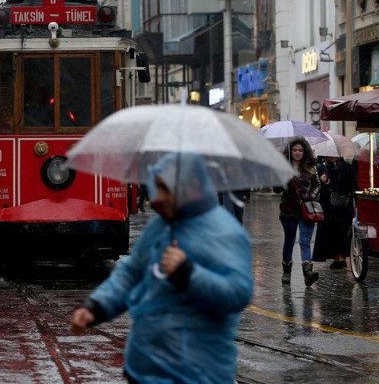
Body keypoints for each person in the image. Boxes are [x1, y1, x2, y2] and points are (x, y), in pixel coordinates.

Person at [70, 153, 253, 383]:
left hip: (197, 374)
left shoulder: (225, 232)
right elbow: (132, 273)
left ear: (192, 186)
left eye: (166, 189)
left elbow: (237, 293)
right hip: (143, 369)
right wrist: (96, 307)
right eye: (157, 188)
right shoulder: (160, 225)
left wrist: (187, 274)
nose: (158, 198)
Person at [275, 137, 321, 287]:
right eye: (295, 150)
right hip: (288, 210)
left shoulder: (310, 167)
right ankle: (286, 271)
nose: (297, 153)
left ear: (305, 151)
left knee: (305, 242)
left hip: (306, 210)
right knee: (289, 240)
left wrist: (311, 196)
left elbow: (317, 185)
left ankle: (307, 273)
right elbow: (276, 189)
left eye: (300, 150)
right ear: (290, 151)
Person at [314, 155, 357, 269]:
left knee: (343, 230)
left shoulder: (347, 167)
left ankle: (342, 257)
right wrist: (322, 181)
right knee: (330, 230)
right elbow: (316, 188)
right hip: (328, 206)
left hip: (344, 204)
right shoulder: (321, 169)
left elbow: (353, 185)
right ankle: (335, 257)